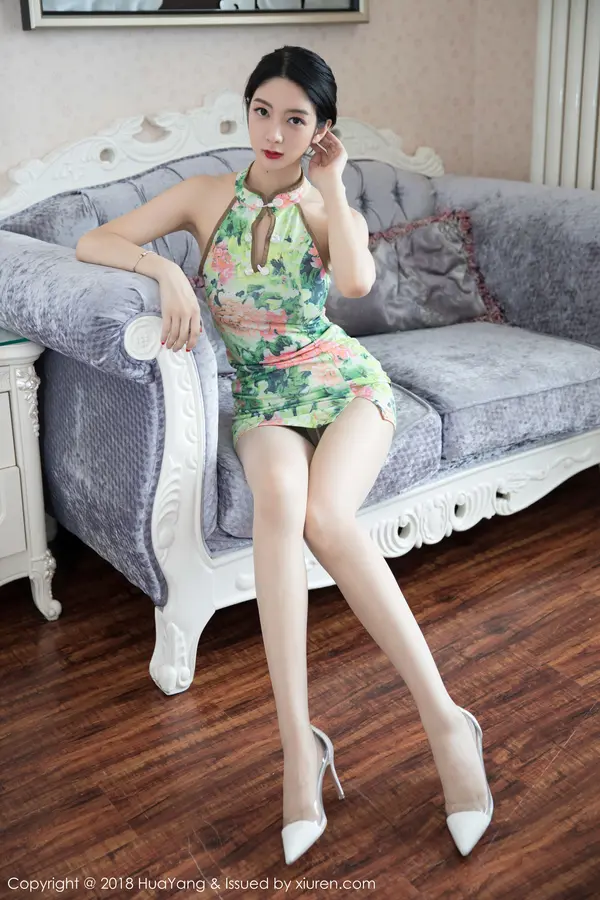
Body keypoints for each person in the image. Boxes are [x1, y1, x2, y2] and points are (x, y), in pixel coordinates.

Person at [75, 45, 493, 866]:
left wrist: (332, 186)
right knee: (277, 505)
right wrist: (164, 271)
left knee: (326, 518)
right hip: (263, 395)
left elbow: (357, 281)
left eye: (294, 119)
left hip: (342, 385)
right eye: (261, 111)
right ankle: (298, 748)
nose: (272, 131)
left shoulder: (324, 204)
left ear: (321, 130)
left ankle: (447, 722)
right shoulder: (205, 196)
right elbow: (96, 242)